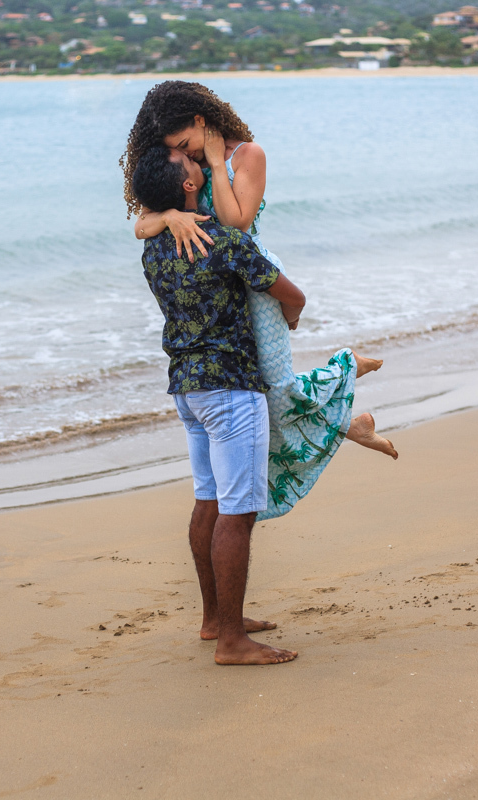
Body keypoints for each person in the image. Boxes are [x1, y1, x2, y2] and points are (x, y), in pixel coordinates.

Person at [122, 81, 396, 523]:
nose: (186, 157)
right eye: (180, 152)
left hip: (252, 279)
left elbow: (237, 225)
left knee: (274, 384)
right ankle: (349, 422)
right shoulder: (185, 173)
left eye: (186, 145)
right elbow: (141, 225)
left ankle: (346, 369)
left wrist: (213, 165)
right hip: (216, 291)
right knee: (262, 394)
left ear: (200, 122)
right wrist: (170, 215)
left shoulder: (245, 156)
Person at [133, 144, 301, 665]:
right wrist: (290, 320)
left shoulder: (153, 247)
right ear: (188, 188)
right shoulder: (224, 243)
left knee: (209, 500)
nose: (202, 167)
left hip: (187, 388)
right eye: (194, 167)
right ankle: (232, 640)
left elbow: (145, 224)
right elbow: (290, 295)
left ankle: (214, 619)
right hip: (230, 387)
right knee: (237, 510)